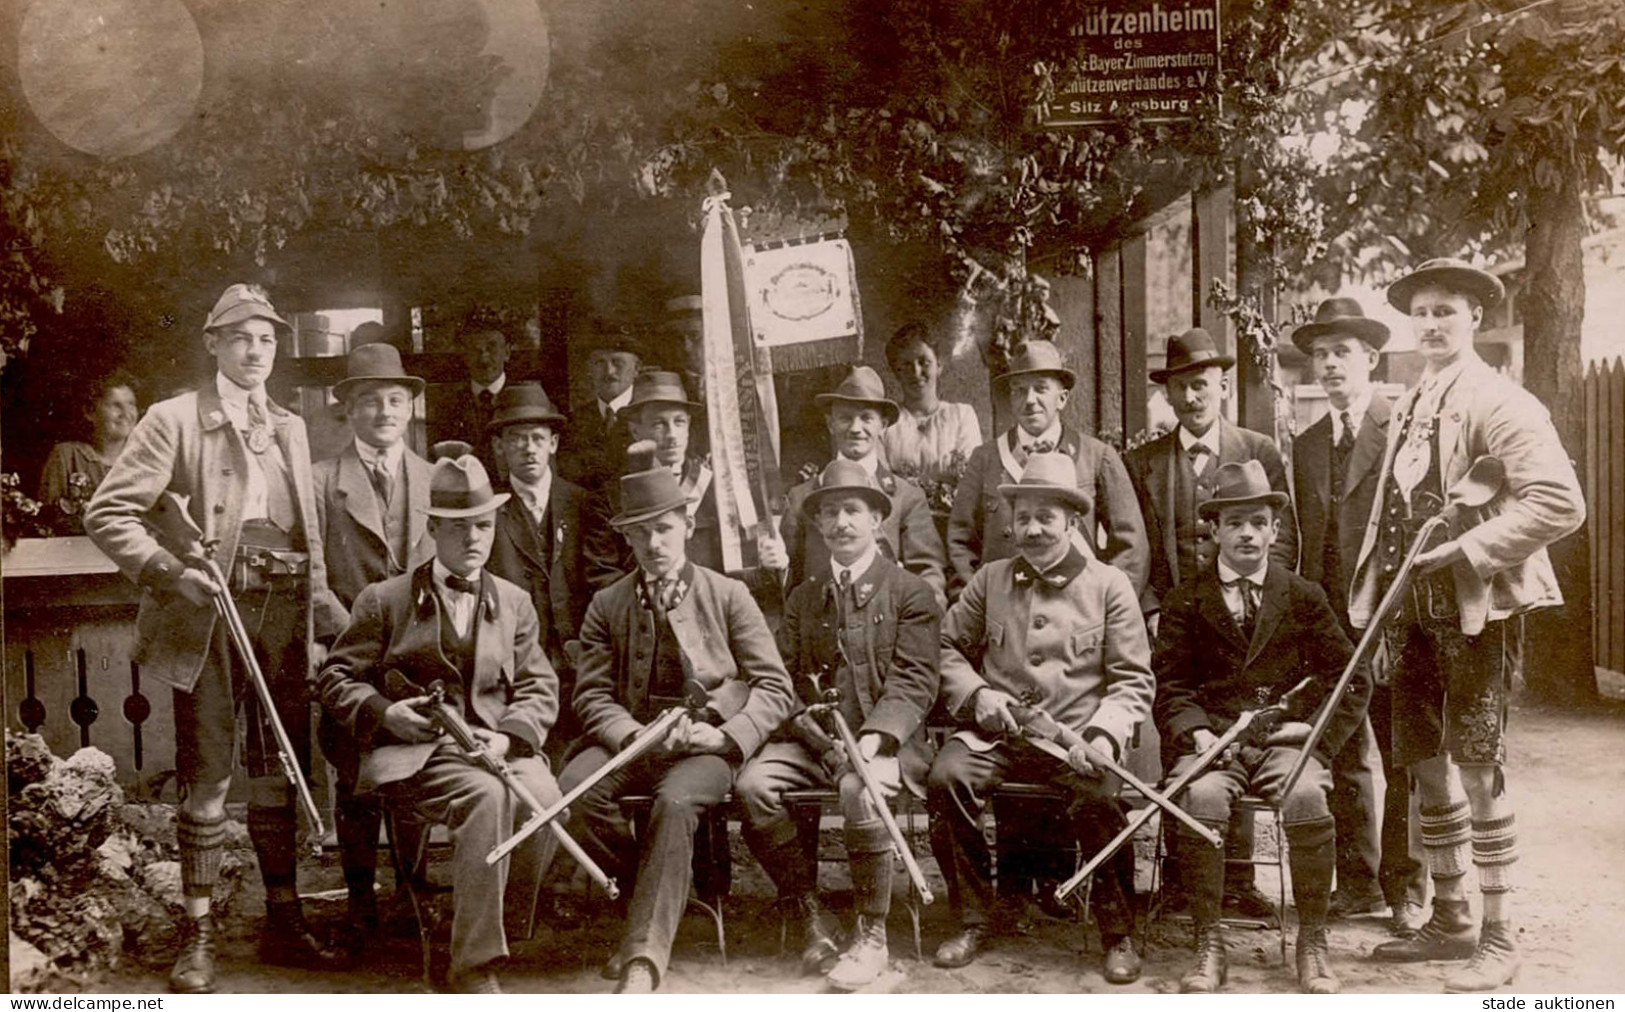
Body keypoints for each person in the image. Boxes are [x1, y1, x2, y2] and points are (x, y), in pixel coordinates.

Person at [84, 284, 351, 992]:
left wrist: (319, 622)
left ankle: (285, 922)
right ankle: (196, 933)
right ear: (213, 345)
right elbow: (108, 512)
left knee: (279, 771)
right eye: (239, 338)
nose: (254, 350)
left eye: (265, 338)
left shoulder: (290, 424)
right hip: (209, 620)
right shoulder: (173, 420)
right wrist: (172, 572)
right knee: (210, 774)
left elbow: (311, 537)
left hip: (284, 616)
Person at [1353, 258, 1585, 991]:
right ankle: (1448, 918)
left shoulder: (1503, 403)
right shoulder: (1411, 400)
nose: (1429, 323)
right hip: (1408, 612)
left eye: (1444, 311)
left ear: (1474, 318)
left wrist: (1466, 547)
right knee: (1422, 765)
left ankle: (1498, 932)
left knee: (1479, 768)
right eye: (1419, 311)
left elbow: (1557, 503)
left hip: (1474, 611)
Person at [315, 452, 563, 994]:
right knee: (489, 799)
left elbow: (541, 686)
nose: (474, 539)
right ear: (433, 530)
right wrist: (386, 713)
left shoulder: (515, 602)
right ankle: (472, 968)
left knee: (546, 797)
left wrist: (508, 735)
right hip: (419, 755)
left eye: (483, 525)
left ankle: (493, 930)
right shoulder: (386, 599)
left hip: (496, 747)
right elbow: (334, 679)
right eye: (457, 528)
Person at [563, 442, 796, 993]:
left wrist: (723, 733)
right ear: (625, 537)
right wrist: (630, 734)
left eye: (663, 529)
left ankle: (643, 956)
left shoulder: (728, 594)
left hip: (706, 747)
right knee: (575, 791)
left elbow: (774, 686)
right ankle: (652, 897)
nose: (653, 543)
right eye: (639, 532)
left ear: (687, 525)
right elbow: (591, 693)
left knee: (673, 804)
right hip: (633, 741)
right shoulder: (608, 604)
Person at [927, 452, 1155, 983]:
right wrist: (977, 694)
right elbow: (946, 647)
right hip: (998, 736)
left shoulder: (1109, 585)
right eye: (1022, 517)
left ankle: (1116, 931)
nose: (1030, 529)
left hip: (1074, 737)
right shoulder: (990, 579)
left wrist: (1101, 734)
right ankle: (973, 917)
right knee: (946, 779)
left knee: (1101, 795)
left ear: (1073, 522)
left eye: (1044, 518)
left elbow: (1133, 680)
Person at [1152, 460, 1369, 994]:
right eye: (1234, 523)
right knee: (1198, 798)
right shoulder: (1185, 600)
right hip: (1215, 744)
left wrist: (1311, 733)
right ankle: (1208, 942)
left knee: (1306, 799)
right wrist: (1197, 733)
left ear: (1274, 530)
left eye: (1257, 522)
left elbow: (1352, 677)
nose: (1246, 533)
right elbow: (1170, 685)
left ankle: (1312, 941)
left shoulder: (1303, 596)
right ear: (1215, 531)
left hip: (1284, 742)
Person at [734, 458, 941, 990]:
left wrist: (874, 737)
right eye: (830, 512)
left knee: (862, 790)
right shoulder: (804, 597)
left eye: (853, 510)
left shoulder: (910, 592)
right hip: (814, 742)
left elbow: (915, 679)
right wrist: (815, 733)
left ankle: (872, 934)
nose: (841, 522)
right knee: (754, 786)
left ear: (876, 519)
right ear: (819, 524)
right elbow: (787, 679)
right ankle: (808, 913)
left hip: (885, 741)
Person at [1124, 326, 1298, 918]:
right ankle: (1185, 877)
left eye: (1201, 385)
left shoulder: (1260, 451)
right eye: (1180, 388)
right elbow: (1139, 547)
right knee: (1186, 733)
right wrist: (1149, 611)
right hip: (1175, 631)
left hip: (1246, 625)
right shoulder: (1143, 463)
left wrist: (1264, 610)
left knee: (1241, 731)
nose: (1192, 397)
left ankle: (1240, 879)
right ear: (1168, 395)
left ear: (1221, 386)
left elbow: (1283, 538)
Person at [1289, 297, 1427, 936]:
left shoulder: (1401, 427)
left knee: (1401, 752)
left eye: (1341, 352)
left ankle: (1406, 886)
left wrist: (1388, 613)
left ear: (1371, 359)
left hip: (1393, 616)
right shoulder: (1309, 442)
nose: (1329, 364)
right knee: (1341, 748)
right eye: (1319, 354)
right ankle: (1358, 879)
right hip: (1331, 622)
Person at [311, 341, 437, 942]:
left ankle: (413, 893)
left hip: (420, 657)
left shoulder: (436, 479)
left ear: (410, 408)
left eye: (394, 399)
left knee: (412, 777)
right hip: (350, 657)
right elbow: (312, 575)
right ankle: (361, 899)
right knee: (355, 780)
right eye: (369, 401)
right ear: (349, 411)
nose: (384, 411)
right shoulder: (320, 483)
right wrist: (354, 641)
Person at [946, 340, 1149, 602]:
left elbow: (1131, 546)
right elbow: (959, 543)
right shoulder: (985, 459)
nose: (1030, 400)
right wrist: (976, 606)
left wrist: (1108, 606)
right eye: (1019, 391)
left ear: (1062, 398)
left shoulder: (1098, 457)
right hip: (1005, 607)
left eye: (1041, 389)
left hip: (1078, 608)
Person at [484, 382, 622, 761]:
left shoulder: (583, 503)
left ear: (554, 444)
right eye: (515, 439)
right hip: (517, 672)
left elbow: (602, 581)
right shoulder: (488, 513)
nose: (528, 448)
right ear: (499, 446)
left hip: (582, 669)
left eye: (537, 438)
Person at [777, 366, 947, 608]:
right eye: (846, 418)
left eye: (867, 418)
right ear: (830, 423)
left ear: (883, 425)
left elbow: (928, 574)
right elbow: (786, 577)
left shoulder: (906, 497)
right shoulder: (802, 496)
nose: (856, 428)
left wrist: (919, 623)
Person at [878, 321, 982, 482]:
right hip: (901, 508)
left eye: (924, 362)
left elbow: (970, 478)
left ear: (939, 365)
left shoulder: (961, 415)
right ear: (896, 372)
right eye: (906, 365)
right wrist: (936, 475)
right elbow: (883, 483)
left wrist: (907, 482)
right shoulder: (885, 423)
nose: (916, 372)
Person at [39, 370, 140, 532]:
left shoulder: (145, 458)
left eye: (131, 404)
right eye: (115, 405)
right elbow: (48, 519)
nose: (126, 413)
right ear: (90, 412)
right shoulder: (66, 455)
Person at [559, 320, 642, 495]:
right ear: (590, 369)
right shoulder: (573, 422)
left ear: (637, 369)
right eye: (599, 363)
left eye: (617, 362)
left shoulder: (648, 415)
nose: (609, 372)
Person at [426, 315, 512, 479]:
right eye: (475, 350)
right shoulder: (448, 406)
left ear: (507, 353)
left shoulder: (526, 399)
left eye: (491, 348)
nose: (484, 358)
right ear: (464, 355)